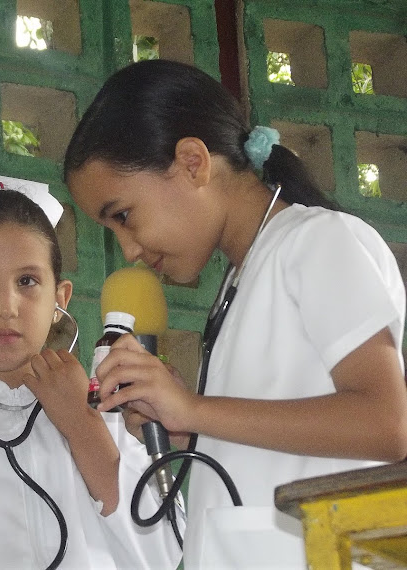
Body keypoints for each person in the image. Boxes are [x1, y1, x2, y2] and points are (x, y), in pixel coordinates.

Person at [63, 58, 407, 568]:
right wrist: (189, 431)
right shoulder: (239, 282)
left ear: (193, 162)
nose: (129, 250)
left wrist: (194, 409)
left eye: (124, 216)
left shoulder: (318, 240)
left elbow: (387, 421)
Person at [0, 169, 183, 569]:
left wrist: (82, 425)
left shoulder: (104, 410)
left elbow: (167, 550)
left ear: (60, 298)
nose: (7, 306)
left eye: (27, 280)